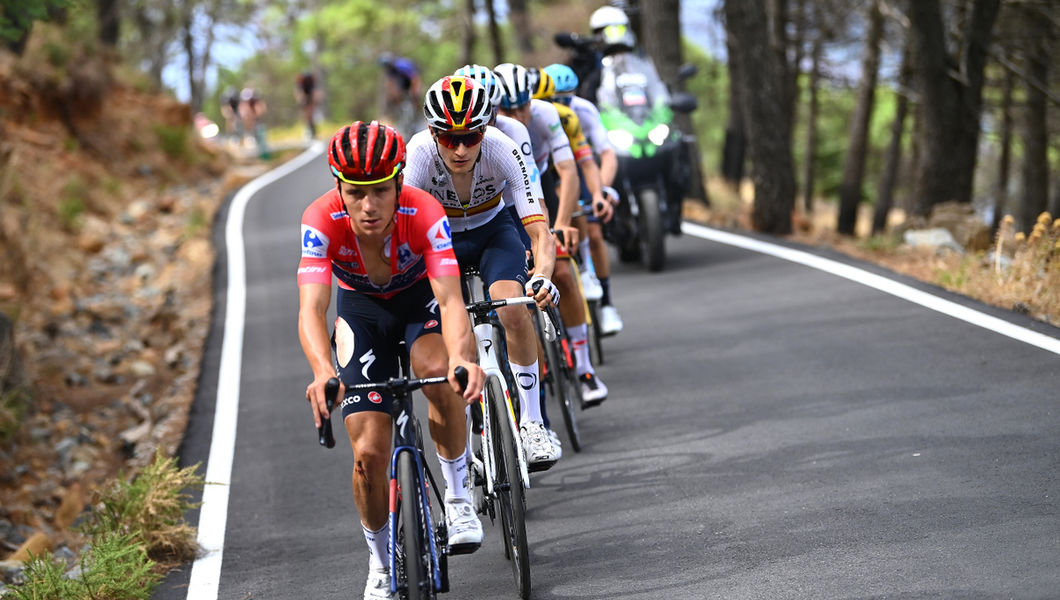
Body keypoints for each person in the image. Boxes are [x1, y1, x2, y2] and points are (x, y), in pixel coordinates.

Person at [298, 121, 486, 600]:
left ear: (399, 183)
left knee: (439, 375)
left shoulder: (424, 211)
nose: (368, 205)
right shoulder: (320, 220)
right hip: (360, 314)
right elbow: (312, 308)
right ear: (338, 187)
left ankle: (459, 495)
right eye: (356, 192)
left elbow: (450, 301)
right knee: (368, 454)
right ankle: (380, 562)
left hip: (417, 303)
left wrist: (464, 358)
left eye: (380, 191)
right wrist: (323, 372)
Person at [403, 75, 564, 470]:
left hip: (494, 231)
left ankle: (532, 423)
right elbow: (404, 234)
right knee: (452, 326)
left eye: (471, 137)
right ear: (431, 130)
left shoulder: (503, 148)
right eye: (448, 137)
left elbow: (539, 231)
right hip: (441, 241)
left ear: (486, 128)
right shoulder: (419, 154)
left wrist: (542, 276)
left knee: (511, 307)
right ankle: (472, 429)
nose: (459, 148)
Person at [494, 63, 609, 405]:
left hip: (543, 184)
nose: (518, 114)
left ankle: (585, 370)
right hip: (503, 200)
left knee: (559, 268)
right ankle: (536, 378)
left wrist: (559, 226)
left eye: (523, 105)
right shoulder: (497, 130)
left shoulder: (546, 114)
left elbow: (568, 171)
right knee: (518, 288)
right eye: (508, 108)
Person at [544, 62, 624, 335]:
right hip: (552, 171)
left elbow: (605, 155)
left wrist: (601, 193)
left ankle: (607, 303)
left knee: (595, 230)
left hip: (578, 165)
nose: (565, 103)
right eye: (558, 98)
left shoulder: (583, 111)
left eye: (569, 96)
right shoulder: (543, 113)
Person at [379, 54, 425, 139]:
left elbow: (414, 78)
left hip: (413, 83)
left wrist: (414, 92)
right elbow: (391, 84)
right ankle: (404, 123)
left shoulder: (402, 65)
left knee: (415, 100)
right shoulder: (390, 70)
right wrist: (393, 95)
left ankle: (419, 118)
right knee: (399, 102)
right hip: (403, 86)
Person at [238, 86, 269, 157]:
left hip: (258, 121)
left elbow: (261, 109)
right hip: (250, 123)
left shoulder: (256, 101)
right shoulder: (243, 104)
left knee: (261, 135)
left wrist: (255, 115)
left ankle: (265, 155)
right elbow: (243, 112)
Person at [294, 70, 320, 139]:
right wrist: (301, 101)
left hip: (310, 93)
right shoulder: (300, 81)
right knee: (305, 114)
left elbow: (315, 92)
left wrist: (314, 102)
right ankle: (307, 129)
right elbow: (299, 92)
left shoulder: (312, 81)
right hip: (303, 93)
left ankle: (313, 130)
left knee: (310, 113)